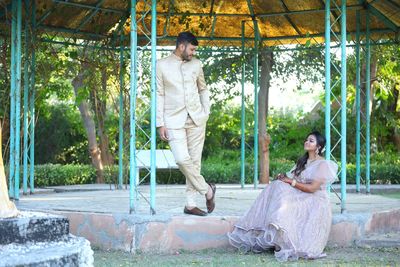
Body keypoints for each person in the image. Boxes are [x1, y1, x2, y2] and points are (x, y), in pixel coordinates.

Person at [228, 131, 338, 262]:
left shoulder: (323, 164)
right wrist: (284, 179)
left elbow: (313, 188)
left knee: (281, 188)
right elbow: (292, 179)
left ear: (319, 147)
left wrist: (290, 181)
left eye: (311, 141)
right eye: (306, 139)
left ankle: (281, 236)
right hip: (302, 195)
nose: (306, 142)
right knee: (277, 185)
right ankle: (262, 230)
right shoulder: (303, 161)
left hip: (315, 200)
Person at [156, 32, 215, 216]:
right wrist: (160, 123)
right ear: (181, 46)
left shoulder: (196, 64)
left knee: (194, 162)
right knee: (181, 159)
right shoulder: (161, 65)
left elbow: (203, 88)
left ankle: (190, 204)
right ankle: (208, 190)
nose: (193, 53)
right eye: (191, 49)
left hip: (197, 119)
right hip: (173, 120)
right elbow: (159, 94)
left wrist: (206, 111)